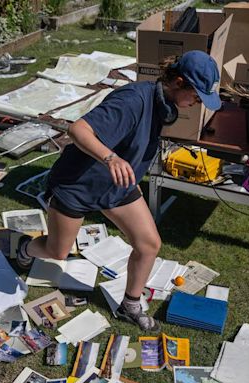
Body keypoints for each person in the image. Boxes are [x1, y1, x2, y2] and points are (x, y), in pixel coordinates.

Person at [17, 50, 222, 332]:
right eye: (197, 95)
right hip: (78, 184)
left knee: (149, 244)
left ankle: (130, 305)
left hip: (117, 183)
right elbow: (78, 130)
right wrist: (111, 158)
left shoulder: (163, 105)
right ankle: (25, 248)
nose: (197, 103)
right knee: (58, 251)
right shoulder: (132, 100)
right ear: (177, 81)